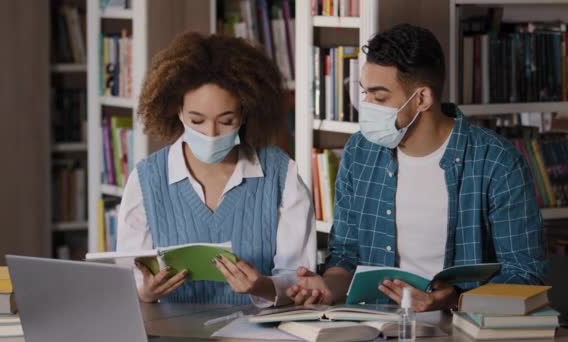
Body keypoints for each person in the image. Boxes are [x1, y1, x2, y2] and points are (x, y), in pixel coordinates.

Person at [287, 24, 547, 311]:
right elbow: (345, 256)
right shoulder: (359, 152)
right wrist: (326, 286)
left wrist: (452, 300)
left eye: (380, 97)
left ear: (422, 98)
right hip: (373, 325)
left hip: (462, 329)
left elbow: (525, 274)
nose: (368, 106)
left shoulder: (498, 162)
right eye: (365, 94)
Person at [116, 32, 316, 306]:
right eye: (196, 120)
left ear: (245, 113)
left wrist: (262, 286)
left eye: (226, 120)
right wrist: (145, 292)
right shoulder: (147, 179)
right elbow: (127, 281)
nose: (211, 133)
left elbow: (299, 282)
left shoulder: (281, 176)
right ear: (177, 110)